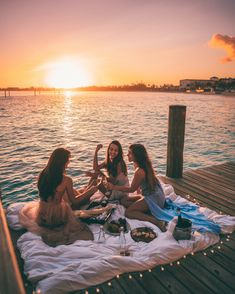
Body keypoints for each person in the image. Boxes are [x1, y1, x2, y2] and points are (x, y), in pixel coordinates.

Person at [19, 148, 96, 246]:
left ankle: (89, 187)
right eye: (68, 160)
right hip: (57, 217)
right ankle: (91, 188)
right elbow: (75, 201)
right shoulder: (66, 180)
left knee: (71, 198)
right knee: (82, 228)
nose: (68, 163)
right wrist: (91, 191)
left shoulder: (43, 174)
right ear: (63, 162)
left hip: (42, 213)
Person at [106, 143, 166, 232]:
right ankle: (145, 209)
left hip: (154, 198)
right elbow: (138, 185)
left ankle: (157, 221)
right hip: (152, 195)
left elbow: (131, 189)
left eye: (130, 153)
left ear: (136, 156)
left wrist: (114, 187)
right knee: (123, 200)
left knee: (129, 212)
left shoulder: (139, 171)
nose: (127, 155)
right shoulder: (139, 164)